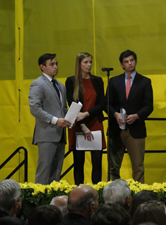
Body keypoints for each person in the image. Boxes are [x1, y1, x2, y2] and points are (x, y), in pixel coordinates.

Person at [107, 50, 154, 183]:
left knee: (138, 167)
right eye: (126, 61)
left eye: (132, 60)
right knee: (113, 167)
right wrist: (115, 114)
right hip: (116, 129)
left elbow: (149, 106)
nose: (129, 63)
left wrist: (137, 116)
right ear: (121, 64)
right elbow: (107, 103)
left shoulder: (145, 81)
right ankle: (113, 196)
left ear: (136, 61)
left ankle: (139, 197)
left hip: (136, 129)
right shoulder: (113, 81)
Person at [28, 53, 71, 184]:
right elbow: (35, 108)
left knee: (56, 173)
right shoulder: (38, 84)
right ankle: (40, 202)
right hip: (46, 134)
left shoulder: (60, 85)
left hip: (60, 134)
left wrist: (71, 117)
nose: (56, 66)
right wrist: (55, 120)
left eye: (56, 63)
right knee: (44, 172)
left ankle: (53, 202)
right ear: (42, 67)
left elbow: (62, 109)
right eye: (52, 64)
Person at [65, 52, 106, 185]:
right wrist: (82, 124)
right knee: (78, 162)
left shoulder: (97, 80)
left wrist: (87, 114)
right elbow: (72, 104)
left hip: (94, 122)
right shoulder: (71, 81)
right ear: (79, 64)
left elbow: (102, 104)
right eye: (86, 62)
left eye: (90, 62)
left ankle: (96, 191)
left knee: (97, 161)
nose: (89, 65)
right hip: (78, 124)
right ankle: (79, 193)